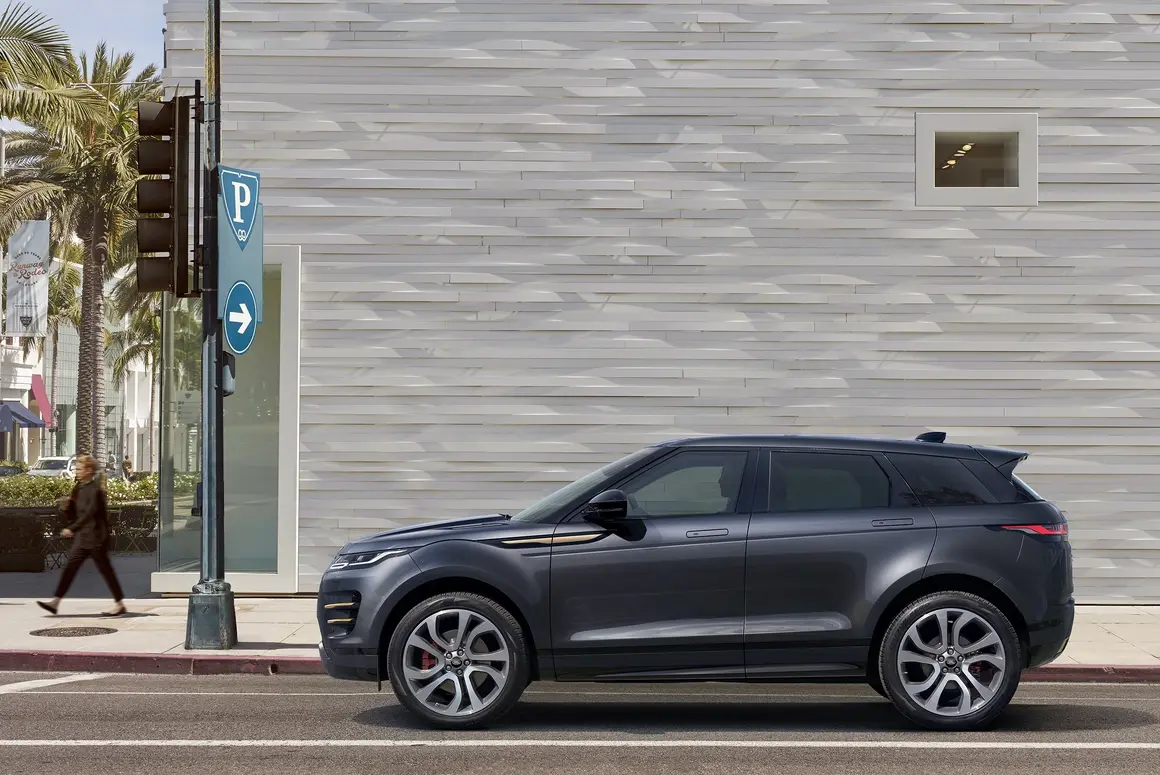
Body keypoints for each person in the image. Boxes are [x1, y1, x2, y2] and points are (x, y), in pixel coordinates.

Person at [37, 454, 126, 617]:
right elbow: (75, 513)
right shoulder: (79, 488)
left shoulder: (96, 490)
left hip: (97, 538)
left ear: (89, 470)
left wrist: (72, 528)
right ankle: (55, 602)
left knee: (106, 571)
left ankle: (119, 604)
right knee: (70, 568)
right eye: (76, 468)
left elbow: (90, 514)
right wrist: (66, 506)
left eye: (79, 469)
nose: (76, 471)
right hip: (83, 537)